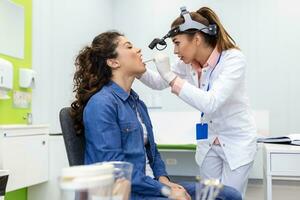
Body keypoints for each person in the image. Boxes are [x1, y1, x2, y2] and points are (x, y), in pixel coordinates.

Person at [70, 31, 242, 200]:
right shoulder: (102, 104)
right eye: (129, 46)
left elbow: (152, 152)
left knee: (229, 195)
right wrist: (164, 190)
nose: (138, 50)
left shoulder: (136, 102)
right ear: (113, 62)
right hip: (126, 191)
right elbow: (115, 171)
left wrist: (163, 179)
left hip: (149, 185)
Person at [139, 7, 257, 198]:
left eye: (177, 43)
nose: (175, 51)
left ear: (197, 39)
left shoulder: (233, 60)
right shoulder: (187, 63)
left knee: (229, 196)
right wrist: (138, 69)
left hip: (237, 142)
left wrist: (169, 75)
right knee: (208, 195)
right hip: (209, 141)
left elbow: (211, 102)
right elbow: (158, 82)